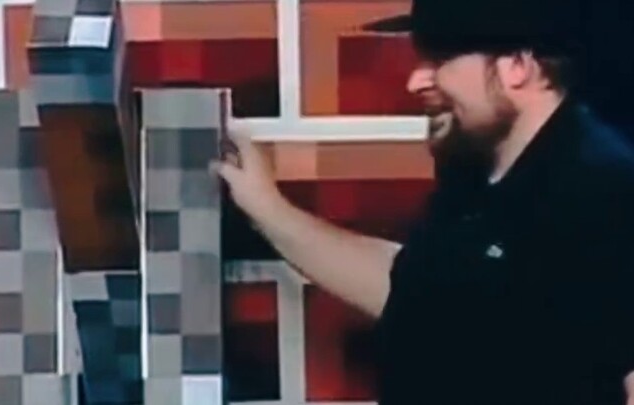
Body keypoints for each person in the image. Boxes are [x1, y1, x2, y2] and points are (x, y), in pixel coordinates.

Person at [211, 0, 634, 403]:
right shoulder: (475, 176)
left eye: (440, 60)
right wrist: (267, 209)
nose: (416, 81)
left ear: (518, 66)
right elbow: (420, 289)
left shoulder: (605, 194)